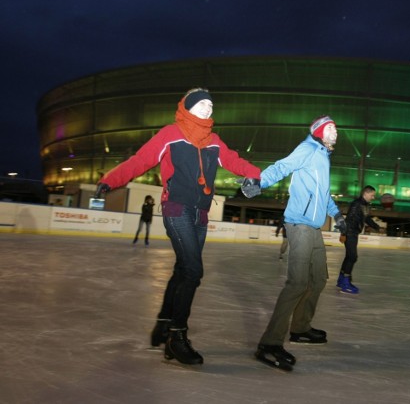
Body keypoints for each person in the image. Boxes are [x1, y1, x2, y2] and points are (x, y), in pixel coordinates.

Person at [94, 88, 261, 365]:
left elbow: (235, 162)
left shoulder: (214, 141)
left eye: (211, 104)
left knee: (183, 269)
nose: (208, 108)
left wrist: (257, 176)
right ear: (188, 107)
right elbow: (140, 161)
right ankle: (176, 337)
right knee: (194, 270)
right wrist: (111, 179)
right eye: (202, 104)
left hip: (201, 213)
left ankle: (163, 321)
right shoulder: (170, 134)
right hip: (176, 208)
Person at [244, 115, 345, 372]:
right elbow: (281, 166)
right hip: (299, 224)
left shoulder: (323, 156)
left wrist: (337, 215)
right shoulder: (308, 148)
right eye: (331, 128)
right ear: (320, 131)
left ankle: (300, 327)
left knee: (319, 277)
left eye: (336, 128)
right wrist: (260, 181)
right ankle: (269, 343)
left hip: (314, 228)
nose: (336, 131)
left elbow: (323, 194)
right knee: (297, 283)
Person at [337, 185, 381, 294]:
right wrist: (344, 233)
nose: (373, 197)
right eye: (372, 195)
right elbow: (349, 219)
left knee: (349, 257)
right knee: (352, 257)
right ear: (365, 194)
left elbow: (366, 218)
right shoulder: (356, 204)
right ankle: (346, 284)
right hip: (350, 233)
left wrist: (376, 226)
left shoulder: (364, 205)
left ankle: (341, 280)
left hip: (354, 233)